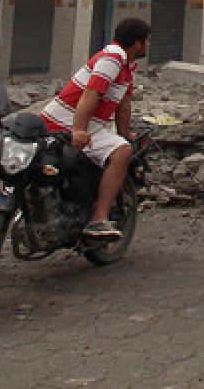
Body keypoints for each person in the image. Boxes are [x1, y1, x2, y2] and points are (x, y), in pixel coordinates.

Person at [39, 17, 150, 241]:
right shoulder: (114, 58)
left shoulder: (127, 64)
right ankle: (98, 220)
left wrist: (124, 133)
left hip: (78, 125)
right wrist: (78, 130)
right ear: (137, 44)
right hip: (65, 125)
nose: (148, 46)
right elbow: (92, 93)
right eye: (147, 41)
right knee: (122, 152)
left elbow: (123, 102)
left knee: (121, 144)